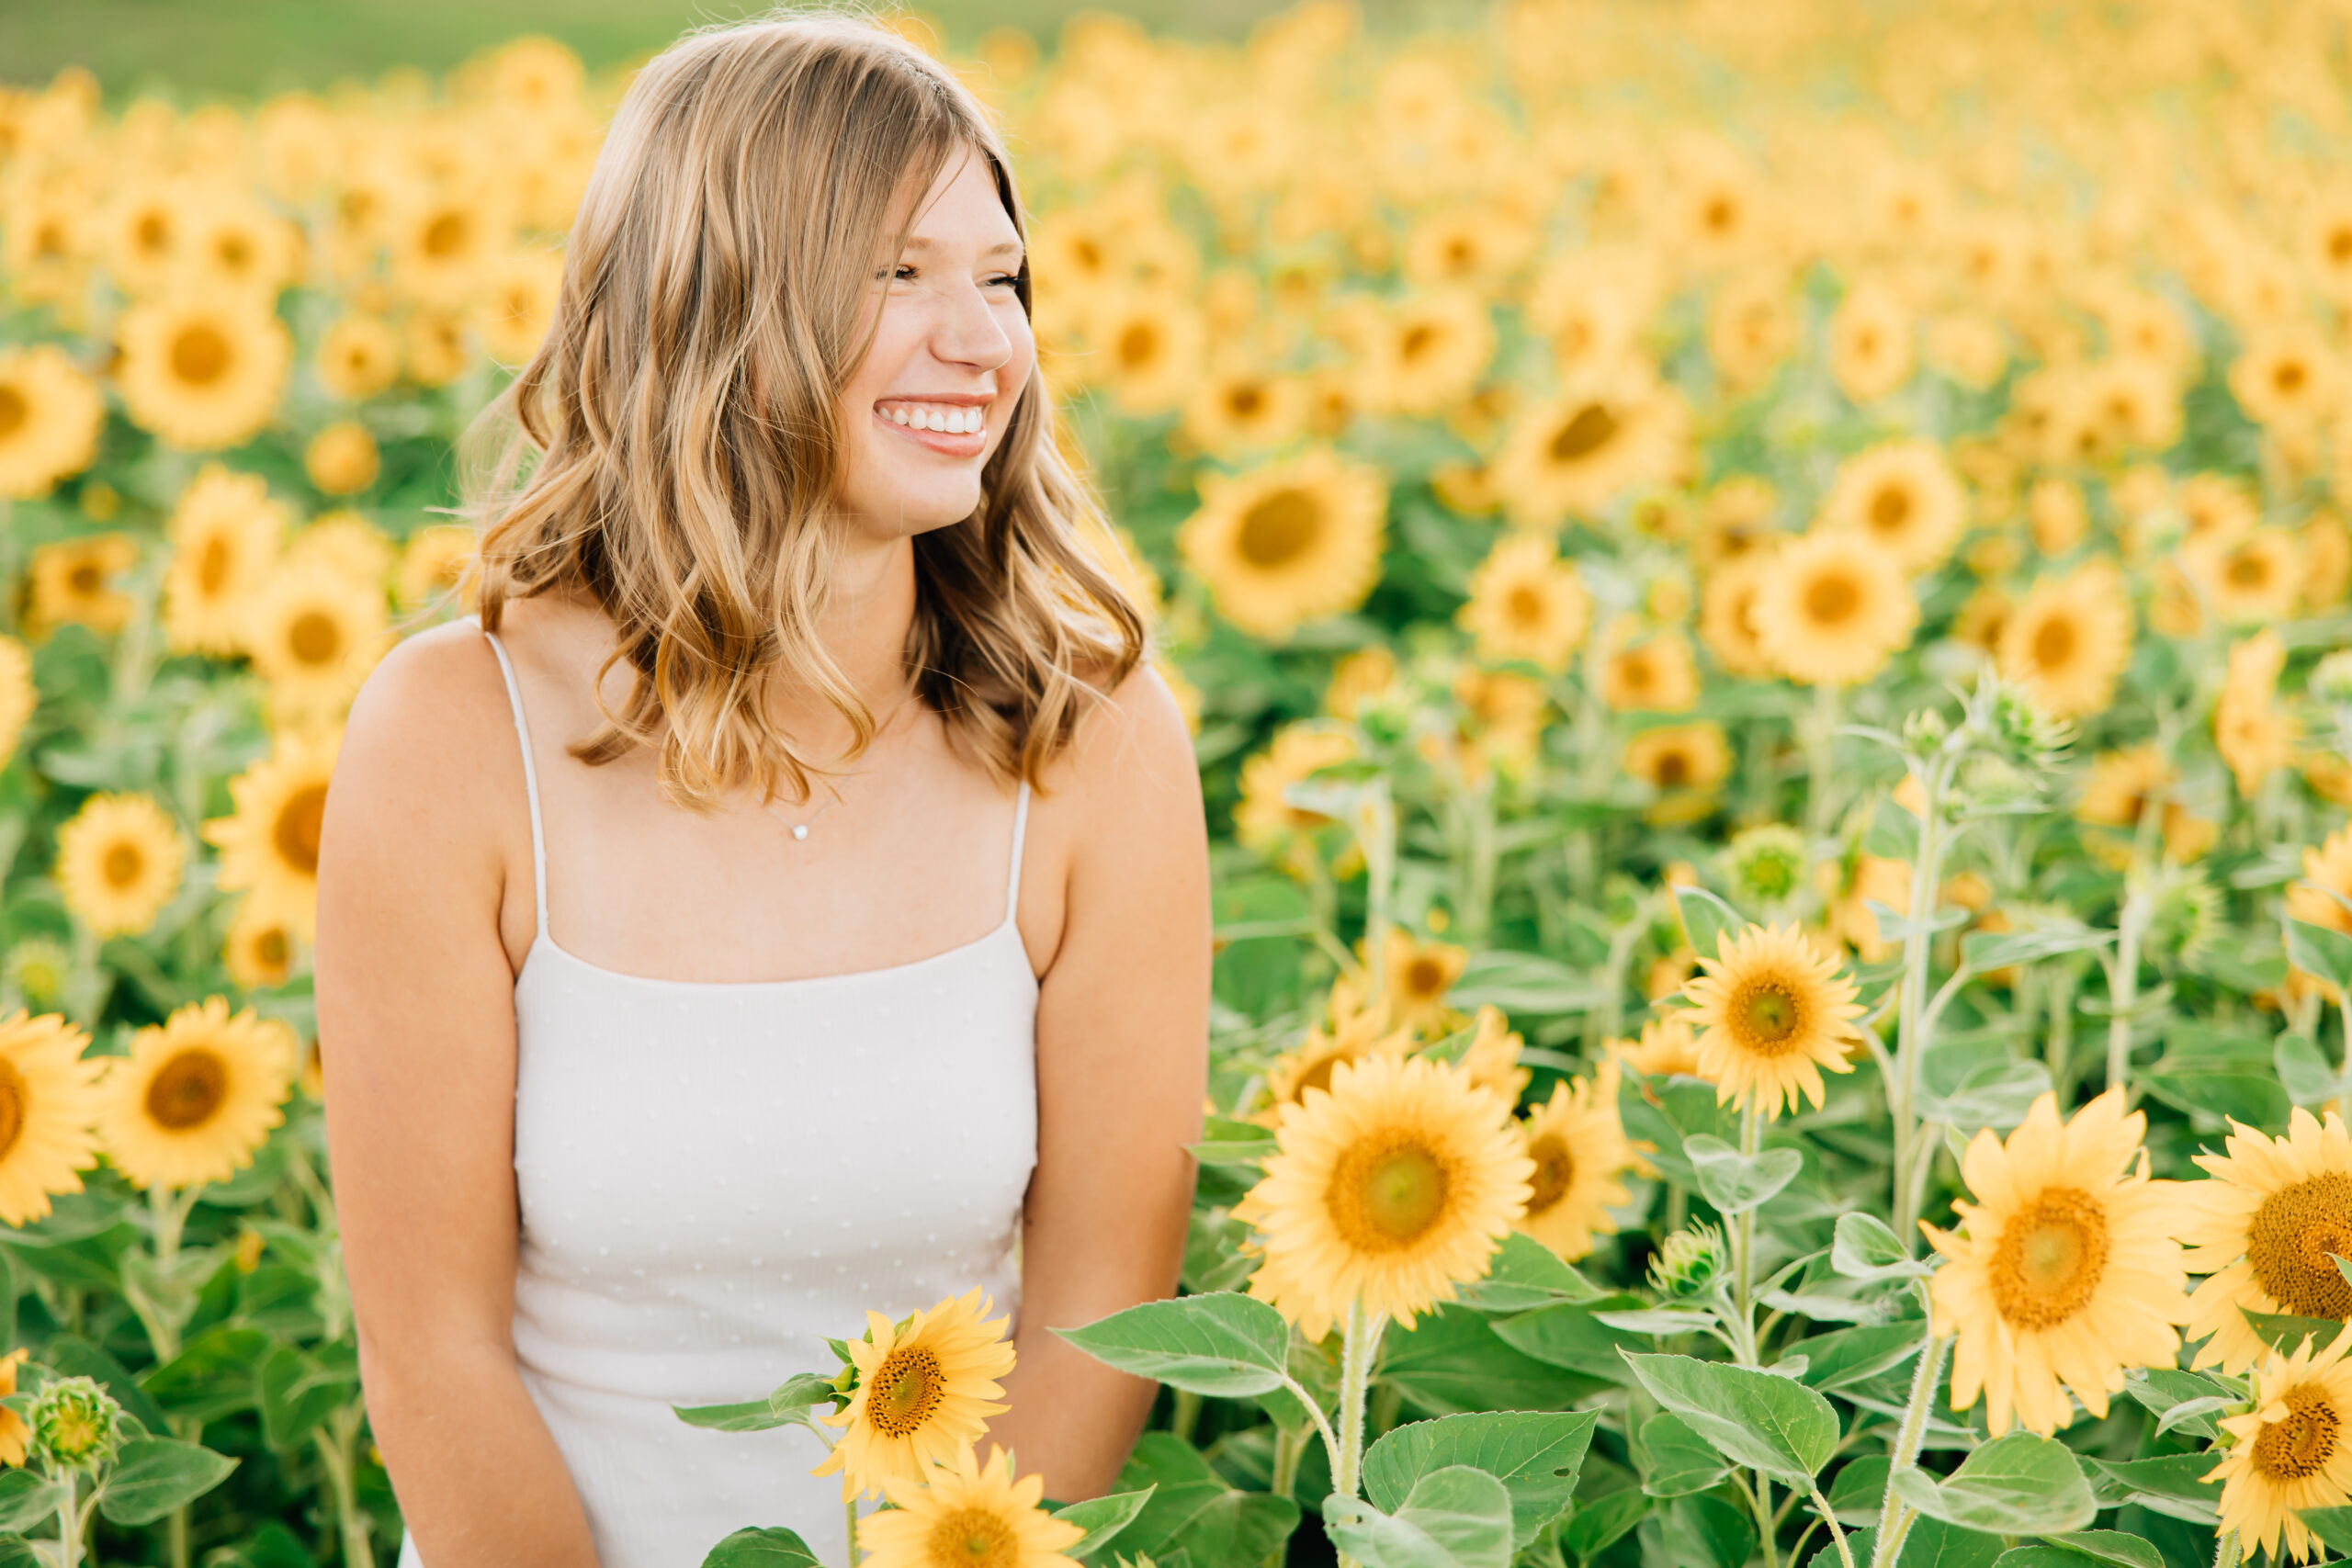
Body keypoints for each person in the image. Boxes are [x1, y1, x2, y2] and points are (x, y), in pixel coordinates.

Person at [311, 15, 1210, 1567]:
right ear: (716, 302)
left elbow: (1098, 1323)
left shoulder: (1091, 740)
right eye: (896, 275)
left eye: (999, 279)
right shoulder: (455, 738)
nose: (984, 339)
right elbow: (430, 1353)